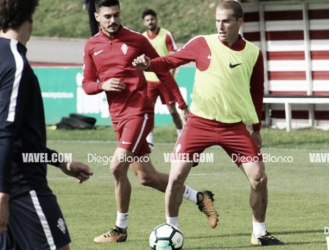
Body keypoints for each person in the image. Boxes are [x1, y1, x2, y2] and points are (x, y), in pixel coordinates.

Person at [133, 0, 284, 246]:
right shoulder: (202, 43)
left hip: (235, 127)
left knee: (259, 178)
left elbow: (257, 92)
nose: (220, 26)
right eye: (217, 20)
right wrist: (149, 64)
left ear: (239, 22)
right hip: (198, 123)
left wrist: (256, 128)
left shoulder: (254, 54)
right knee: (176, 177)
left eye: (226, 21)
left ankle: (259, 232)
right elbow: (172, 60)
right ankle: (172, 230)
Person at [82, 0, 218, 244]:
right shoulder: (92, 46)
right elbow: (87, 83)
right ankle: (200, 197)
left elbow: (162, 69)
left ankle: (120, 228)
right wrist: (102, 85)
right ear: (97, 17)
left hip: (139, 112)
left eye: (116, 15)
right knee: (147, 177)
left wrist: (182, 105)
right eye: (107, 16)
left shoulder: (137, 40)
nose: (113, 20)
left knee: (115, 167)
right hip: (118, 117)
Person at [0, 0, 94, 249]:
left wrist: (60, 161)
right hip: (21, 188)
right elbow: (5, 132)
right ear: (30, 17)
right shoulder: (16, 64)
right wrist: (3, 192)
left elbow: (19, 139)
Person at [141, 9, 183, 149]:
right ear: (144, 22)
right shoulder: (142, 38)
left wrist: (170, 75)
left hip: (165, 80)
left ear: (156, 19)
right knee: (149, 111)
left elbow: (173, 54)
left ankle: (181, 136)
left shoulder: (166, 34)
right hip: (149, 82)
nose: (150, 22)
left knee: (172, 110)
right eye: (147, 20)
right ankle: (150, 141)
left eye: (152, 19)